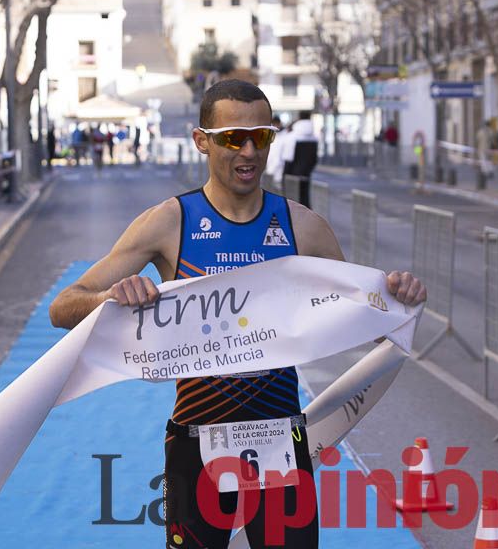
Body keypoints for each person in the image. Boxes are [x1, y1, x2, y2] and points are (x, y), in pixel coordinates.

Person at [47, 79, 426, 548]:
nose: (248, 151)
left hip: (280, 438)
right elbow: (63, 307)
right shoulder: (170, 222)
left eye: (261, 137)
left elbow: (365, 321)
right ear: (202, 141)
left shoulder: (302, 227)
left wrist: (398, 299)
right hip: (196, 440)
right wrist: (109, 299)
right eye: (232, 138)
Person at [281, 110, 319, 207]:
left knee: (292, 207)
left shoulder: (292, 137)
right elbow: (314, 159)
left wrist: (284, 177)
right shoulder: (314, 137)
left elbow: (288, 159)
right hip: (306, 175)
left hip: (292, 176)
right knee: (305, 203)